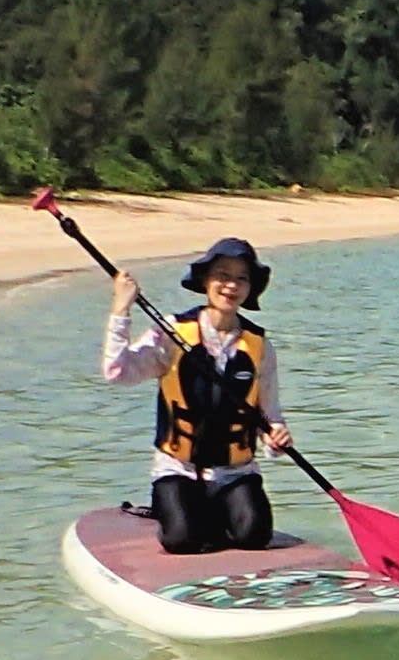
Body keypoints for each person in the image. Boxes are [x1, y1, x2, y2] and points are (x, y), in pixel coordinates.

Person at [103, 236, 286, 553]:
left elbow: (270, 417)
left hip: (235, 472)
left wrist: (275, 438)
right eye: (223, 275)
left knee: (255, 536)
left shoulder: (259, 346)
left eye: (242, 278)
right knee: (182, 540)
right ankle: (175, 508)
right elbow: (117, 372)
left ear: (251, 288)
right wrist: (122, 309)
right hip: (178, 467)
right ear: (205, 280)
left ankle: (213, 511)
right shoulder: (172, 332)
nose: (231, 286)